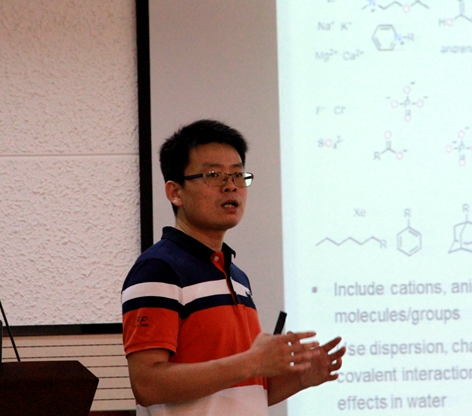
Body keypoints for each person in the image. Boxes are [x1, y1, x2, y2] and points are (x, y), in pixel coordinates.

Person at [121, 119, 345, 415]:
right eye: (214, 175)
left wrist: (300, 378)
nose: (231, 186)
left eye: (238, 175)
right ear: (175, 192)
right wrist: (252, 362)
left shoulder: (237, 278)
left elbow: (241, 391)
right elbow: (147, 384)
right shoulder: (158, 268)